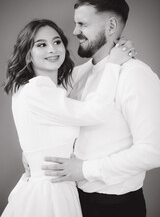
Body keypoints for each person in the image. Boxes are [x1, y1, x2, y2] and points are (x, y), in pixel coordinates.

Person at [41, 0, 160, 217]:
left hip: (116, 207)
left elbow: (154, 150)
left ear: (112, 26)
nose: (75, 31)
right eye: (76, 24)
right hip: (74, 199)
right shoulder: (78, 74)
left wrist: (85, 169)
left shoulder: (135, 75)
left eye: (83, 24)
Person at [2, 18, 132, 217]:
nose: (52, 49)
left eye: (56, 42)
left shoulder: (38, 87)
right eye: (41, 45)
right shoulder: (38, 91)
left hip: (53, 186)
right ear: (28, 55)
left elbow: (76, 75)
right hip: (49, 193)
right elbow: (95, 112)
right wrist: (113, 64)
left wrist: (105, 55)